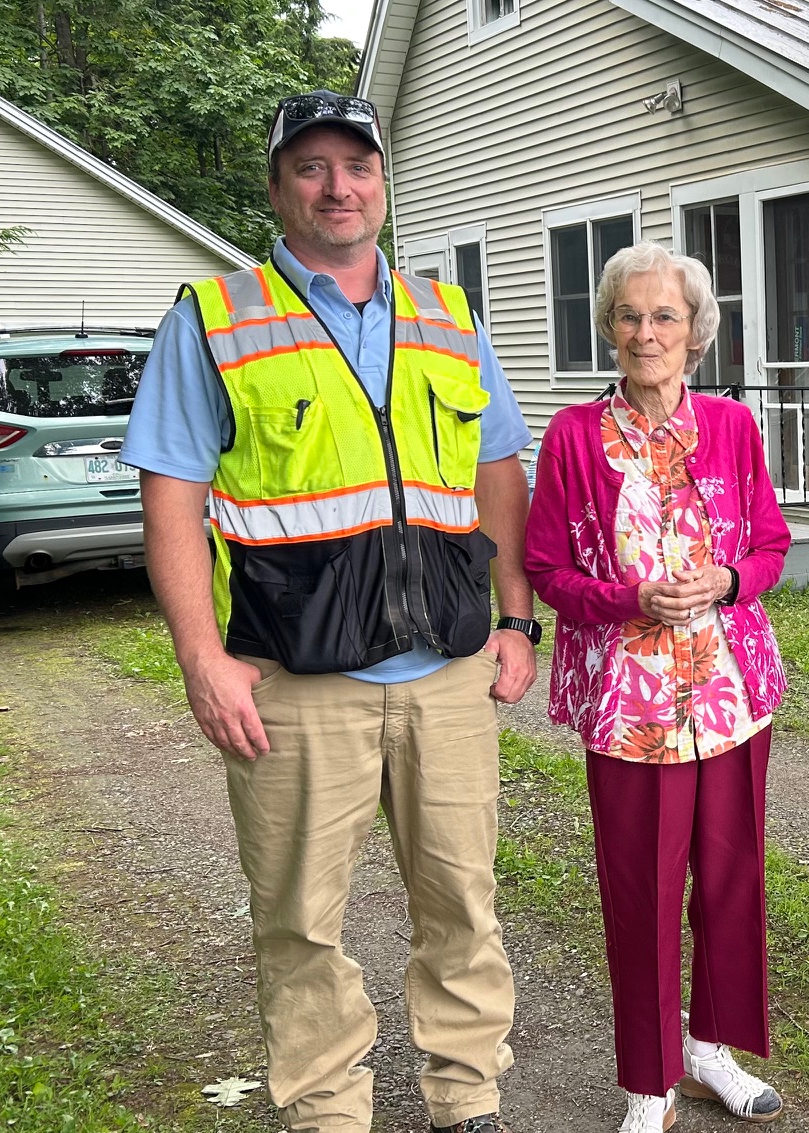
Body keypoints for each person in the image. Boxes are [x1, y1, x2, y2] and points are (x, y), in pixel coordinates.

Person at [125, 91, 536, 1133]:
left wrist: (516, 615)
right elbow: (169, 491)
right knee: (301, 922)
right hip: (294, 682)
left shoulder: (448, 316)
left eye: (356, 165)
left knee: (463, 905)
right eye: (310, 166)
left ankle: (465, 1099)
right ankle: (325, 1110)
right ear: (277, 188)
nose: (337, 186)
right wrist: (199, 656)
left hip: (445, 669)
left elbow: (496, 466)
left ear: (384, 183)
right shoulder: (216, 316)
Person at [524, 241, 793, 1133]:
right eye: (631, 316)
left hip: (728, 693)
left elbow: (768, 544)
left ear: (695, 332)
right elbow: (545, 565)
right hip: (629, 699)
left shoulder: (730, 426)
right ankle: (649, 1078)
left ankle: (710, 1046)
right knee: (639, 886)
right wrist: (628, 598)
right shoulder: (571, 436)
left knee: (728, 872)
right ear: (609, 327)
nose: (647, 333)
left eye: (664, 316)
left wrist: (726, 582)